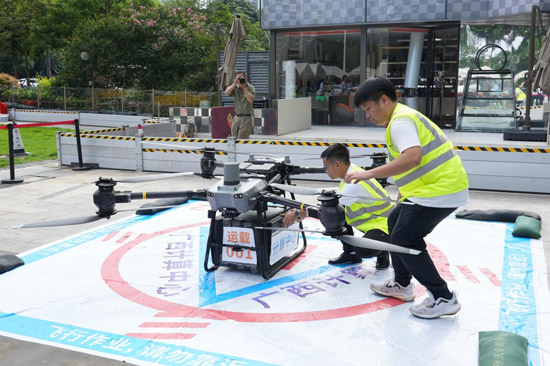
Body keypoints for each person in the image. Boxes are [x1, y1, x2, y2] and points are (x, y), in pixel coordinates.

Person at [346, 76, 469, 319]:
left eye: (369, 109)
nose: (368, 115)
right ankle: (402, 284)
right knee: (394, 223)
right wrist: (404, 190)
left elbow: (412, 157)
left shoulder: (401, 121)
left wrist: (367, 174)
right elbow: (414, 164)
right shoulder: (402, 117)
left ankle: (442, 296)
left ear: (384, 100)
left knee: (404, 239)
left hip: (440, 190)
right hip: (429, 189)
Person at [282, 143, 392, 270]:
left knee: (361, 247)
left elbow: (327, 212)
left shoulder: (353, 184)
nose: (326, 171)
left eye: (326, 167)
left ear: (337, 164)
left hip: (385, 225)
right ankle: (351, 254)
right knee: (339, 215)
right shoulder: (353, 172)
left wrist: (299, 213)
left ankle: (384, 248)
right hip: (377, 221)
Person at [225, 71, 256, 139]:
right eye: (238, 78)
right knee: (233, 138)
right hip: (237, 117)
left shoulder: (250, 87)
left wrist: (244, 88)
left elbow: (250, 100)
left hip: (246, 117)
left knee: (242, 138)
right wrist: (234, 84)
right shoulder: (235, 87)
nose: (240, 80)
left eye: (241, 77)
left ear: (245, 78)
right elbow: (226, 92)